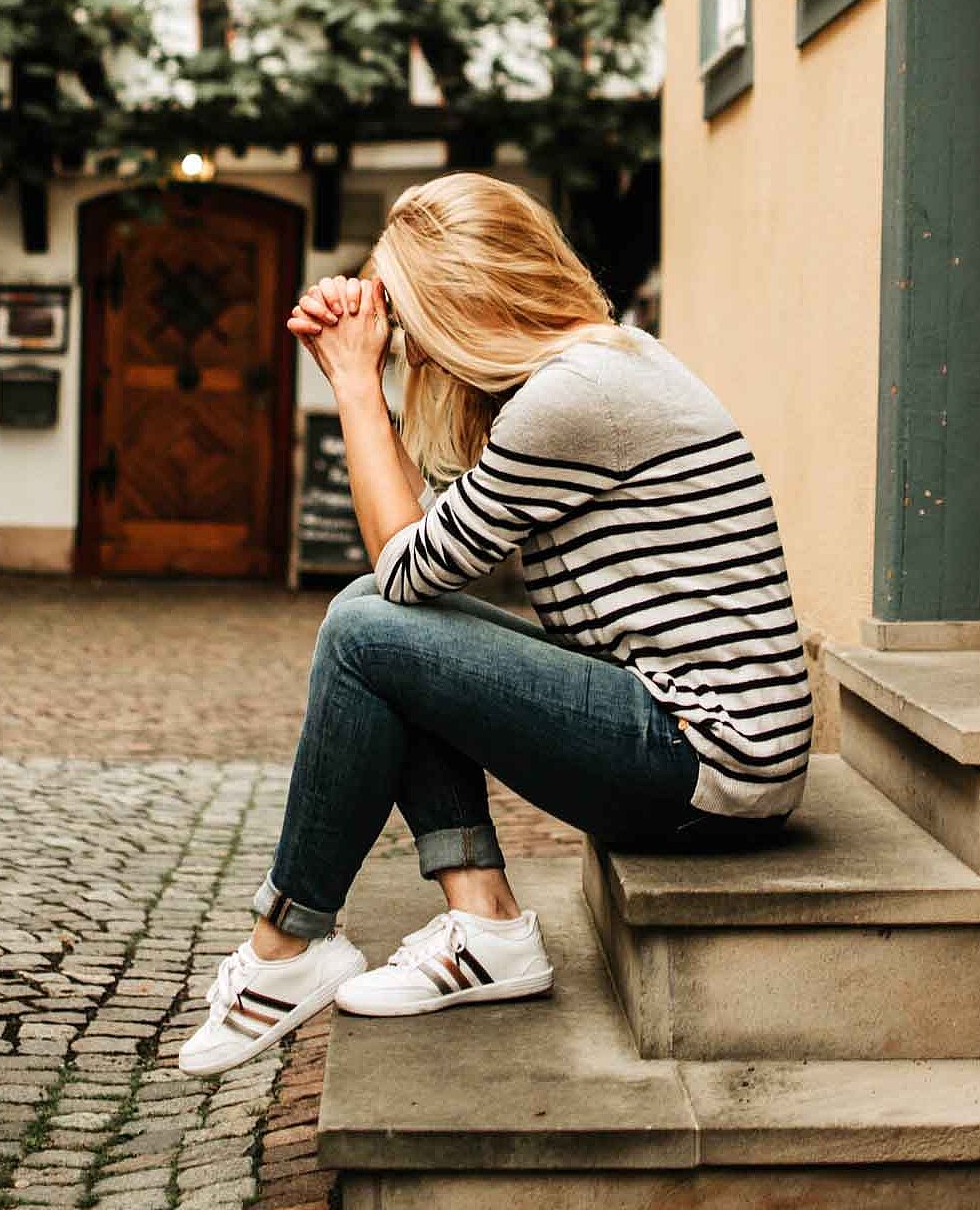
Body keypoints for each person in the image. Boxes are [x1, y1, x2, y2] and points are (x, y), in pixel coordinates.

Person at [178, 172, 812, 1077]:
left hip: (707, 767)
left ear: (456, 298)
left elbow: (404, 566)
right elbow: (421, 560)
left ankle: (288, 946)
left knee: (368, 630)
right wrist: (375, 360)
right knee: (373, 619)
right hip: (693, 738)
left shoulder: (574, 396)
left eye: (402, 310)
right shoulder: (594, 368)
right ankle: (479, 923)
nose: (399, 336)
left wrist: (357, 384)